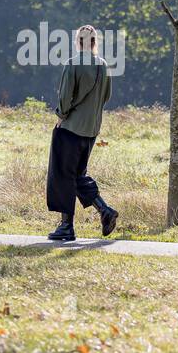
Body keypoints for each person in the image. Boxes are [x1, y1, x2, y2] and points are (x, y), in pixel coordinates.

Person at [46, 24, 119, 242]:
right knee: (78, 175)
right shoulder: (103, 66)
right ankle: (104, 210)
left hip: (70, 128)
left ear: (78, 42)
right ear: (95, 42)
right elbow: (106, 97)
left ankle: (66, 227)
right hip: (91, 130)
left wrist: (60, 115)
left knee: (63, 175)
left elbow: (65, 96)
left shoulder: (73, 64)